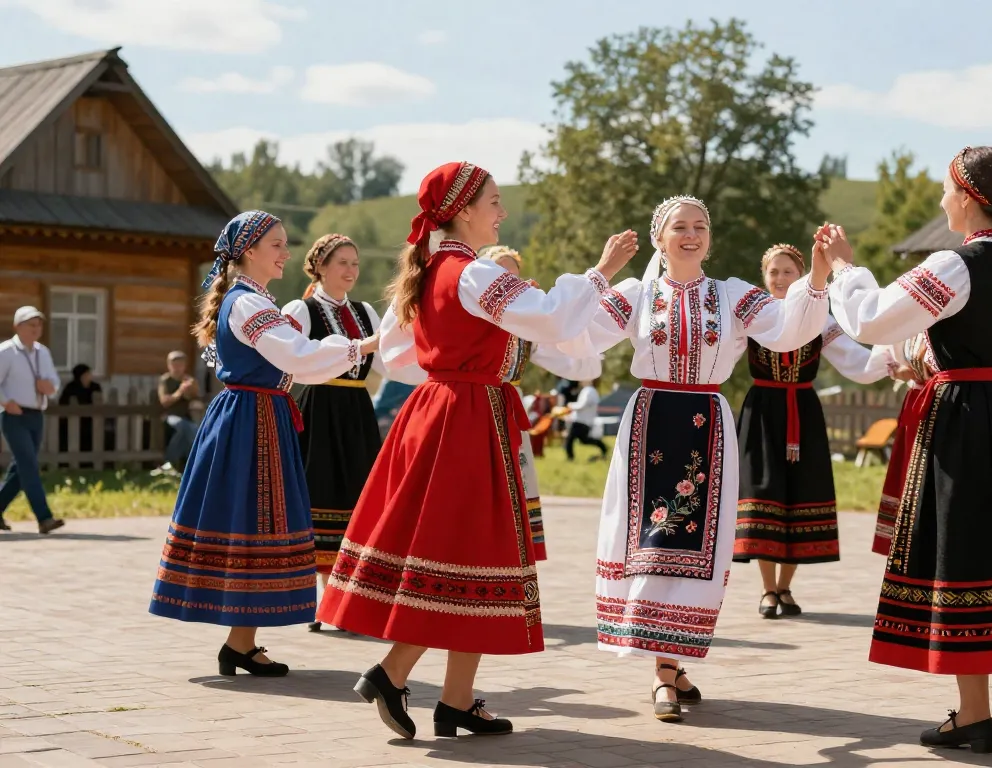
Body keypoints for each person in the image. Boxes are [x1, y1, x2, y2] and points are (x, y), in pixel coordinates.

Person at [315, 162, 637, 741]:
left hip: (445, 411)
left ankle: (455, 700)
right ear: (463, 210)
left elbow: (395, 355)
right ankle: (393, 673)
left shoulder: (432, 270)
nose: (502, 212)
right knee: (465, 553)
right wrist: (602, 271)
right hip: (466, 419)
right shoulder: (470, 272)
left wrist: (448, 375)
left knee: (471, 560)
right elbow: (550, 316)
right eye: (494, 201)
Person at [825, 146, 992, 760]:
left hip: (963, 423)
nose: (941, 200)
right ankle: (985, 711)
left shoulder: (953, 265)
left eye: (947, 190)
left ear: (970, 198)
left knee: (961, 558)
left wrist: (844, 268)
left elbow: (870, 322)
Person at [566, 195, 832, 723]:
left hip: (706, 425)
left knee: (694, 546)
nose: (692, 235)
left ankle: (669, 664)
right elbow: (576, 336)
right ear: (660, 240)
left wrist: (818, 275)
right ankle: (665, 669)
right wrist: (600, 274)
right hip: (651, 422)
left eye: (701, 227)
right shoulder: (638, 294)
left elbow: (788, 330)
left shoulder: (732, 295)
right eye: (680, 227)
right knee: (652, 544)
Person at [147, 210, 378, 676]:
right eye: (277, 244)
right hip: (250, 420)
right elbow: (298, 355)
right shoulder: (247, 304)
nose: (286, 253)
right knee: (253, 523)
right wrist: (368, 344)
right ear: (249, 251)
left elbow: (302, 363)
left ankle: (241, 644)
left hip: (261, 415)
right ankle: (240, 643)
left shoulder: (254, 300)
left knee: (259, 525)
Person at [734, 243, 896, 619]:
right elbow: (723, 350)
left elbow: (854, 359)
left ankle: (785, 587)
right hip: (762, 414)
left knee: (799, 493)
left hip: (802, 411)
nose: (779, 279)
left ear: (801, 276)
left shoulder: (819, 317)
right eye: (773, 272)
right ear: (764, 276)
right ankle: (768, 589)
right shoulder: (752, 314)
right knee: (763, 493)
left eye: (788, 272)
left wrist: (892, 361)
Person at [281, 233, 385, 630]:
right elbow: (288, 359)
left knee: (357, 497)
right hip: (319, 409)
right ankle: (319, 599)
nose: (350, 270)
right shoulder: (302, 309)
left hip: (356, 411)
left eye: (355, 263)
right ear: (320, 267)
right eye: (342, 262)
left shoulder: (365, 312)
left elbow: (388, 362)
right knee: (320, 494)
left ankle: (345, 599)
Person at [482, 243, 603, 559]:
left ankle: (509, 555)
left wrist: (589, 334)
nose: (509, 281)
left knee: (514, 485)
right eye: (500, 274)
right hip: (473, 409)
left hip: (509, 413)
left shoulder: (525, 331)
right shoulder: (471, 317)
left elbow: (577, 364)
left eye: (514, 276)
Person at [0, 306, 64, 534]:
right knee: (29, 465)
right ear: (17, 326)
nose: (36, 329)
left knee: (21, 469)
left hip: (36, 415)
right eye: (31, 325)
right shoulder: (6, 351)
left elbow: (54, 383)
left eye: (39, 325)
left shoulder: (42, 352)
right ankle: (44, 517)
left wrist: (50, 388)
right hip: (13, 416)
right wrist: (6, 402)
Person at [158, 351, 201, 470]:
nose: (177, 368)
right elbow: (165, 402)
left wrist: (191, 389)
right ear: (169, 365)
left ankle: (172, 464)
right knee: (186, 427)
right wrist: (180, 391)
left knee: (189, 429)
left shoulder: (188, 380)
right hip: (170, 416)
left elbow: (195, 399)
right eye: (174, 364)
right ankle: (177, 461)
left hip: (186, 416)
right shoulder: (165, 380)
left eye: (180, 364)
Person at [58, 362, 102, 467]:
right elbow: (63, 404)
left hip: (91, 422)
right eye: (86, 374)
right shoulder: (71, 388)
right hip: (72, 423)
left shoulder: (95, 387)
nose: (89, 376)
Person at [564, 378, 607, 462]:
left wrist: (570, 405)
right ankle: (603, 447)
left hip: (581, 420)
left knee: (571, 439)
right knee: (583, 440)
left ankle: (570, 458)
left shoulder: (588, 391)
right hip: (584, 420)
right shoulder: (591, 391)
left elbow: (582, 405)